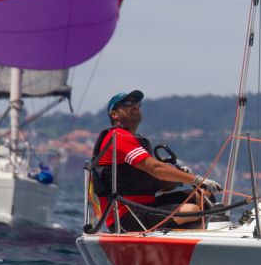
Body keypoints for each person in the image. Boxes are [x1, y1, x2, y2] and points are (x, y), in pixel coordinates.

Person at [92, 89, 221, 232]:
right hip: (125, 216)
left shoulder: (136, 140)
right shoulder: (117, 137)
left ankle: (199, 235)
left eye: (137, 103)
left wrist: (179, 178)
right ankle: (192, 237)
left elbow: (161, 187)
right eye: (127, 103)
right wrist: (196, 179)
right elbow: (155, 168)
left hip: (148, 205)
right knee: (191, 210)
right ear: (114, 114)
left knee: (204, 194)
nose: (134, 106)